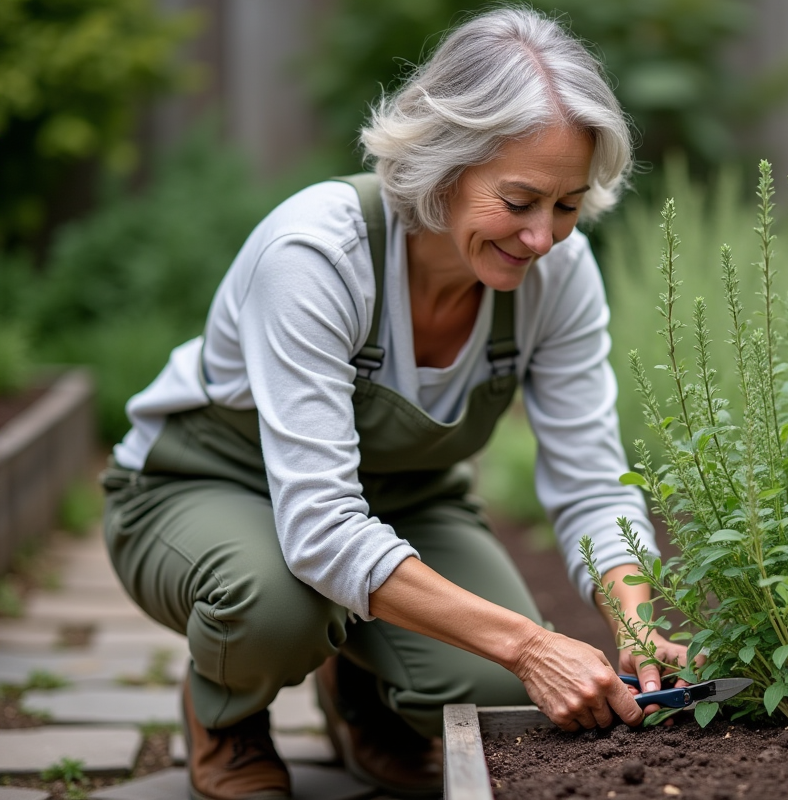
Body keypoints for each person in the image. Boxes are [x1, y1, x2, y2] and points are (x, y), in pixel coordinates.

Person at [101, 8, 688, 800]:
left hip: (403, 502)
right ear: (444, 167)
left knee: (504, 698)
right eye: (518, 201)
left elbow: (589, 479)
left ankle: (359, 689)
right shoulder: (316, 255)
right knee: (276, 607)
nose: (544, 237)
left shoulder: (559, 274)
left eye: (568, 203)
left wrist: (634, 620)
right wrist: (529, 643)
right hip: (205, 489)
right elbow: (318, 528)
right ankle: (226, 713)